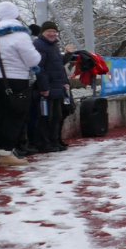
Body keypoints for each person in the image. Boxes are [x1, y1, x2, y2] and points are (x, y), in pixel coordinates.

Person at [0, 2, 42, 166]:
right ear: (16, 14)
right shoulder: (20, 34)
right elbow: (33, 59)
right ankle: (6, 152)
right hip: (15, 79)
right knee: (15, 114)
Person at [31, 21, 75, 152]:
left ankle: (54, 141)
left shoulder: (53, 45)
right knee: (46, 117)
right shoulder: (39, 45)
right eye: (49, 31)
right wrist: (44, 88)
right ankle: (44, 143)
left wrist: (67, 54)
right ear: (42, 32)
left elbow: (57, 64)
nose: (52, 34)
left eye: (54, 32)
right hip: (48, 88)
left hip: (57, 87)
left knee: (57, 116)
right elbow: (39, 68)